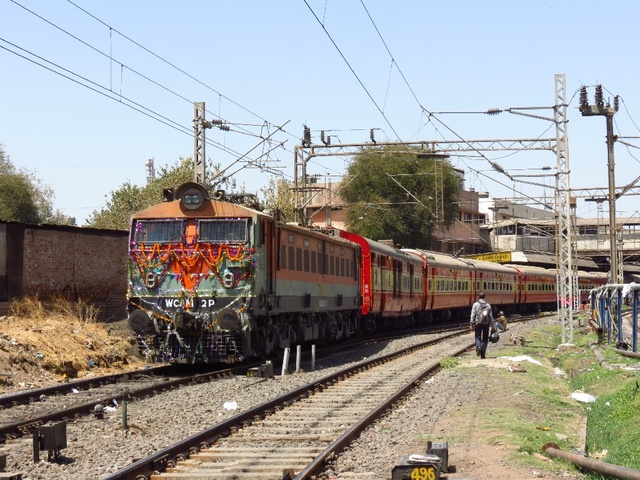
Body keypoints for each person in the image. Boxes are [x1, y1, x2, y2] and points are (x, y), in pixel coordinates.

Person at [470, 291, 493, 359]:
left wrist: (471, 323)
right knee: (485, 339)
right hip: (486, 324)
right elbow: (491, 316)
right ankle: (483, 354)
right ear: (484, 297)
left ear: (478, 297)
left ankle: (478, 346)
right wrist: (493, 326)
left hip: (478, 323)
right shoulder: (488, 305)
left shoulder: (475, 305)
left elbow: (473, 314)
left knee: (477, 336)